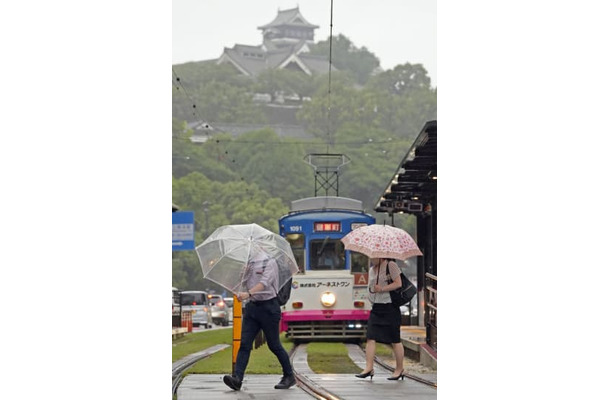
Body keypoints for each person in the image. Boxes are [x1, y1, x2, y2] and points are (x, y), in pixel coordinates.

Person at [223, 249, 296, 391]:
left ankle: (289, 376)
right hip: (252, 308)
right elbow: (244, 285)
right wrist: (243, 275)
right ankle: (237, 378)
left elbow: (264, 284)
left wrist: (248, 293)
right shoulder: (250, 263)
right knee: (244, 344)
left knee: (274, 345)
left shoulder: (270, 262)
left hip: (269, 308)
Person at [355, 257, 406, 381]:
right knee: (370, 337)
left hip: (390, 307)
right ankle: (369, 368)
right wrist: (372, 291)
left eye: (374, 256)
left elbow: (398, 283)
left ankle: (399, 369)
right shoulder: (372, 270)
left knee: (395, 339)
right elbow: (371, 288)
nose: (371, 259)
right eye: (370, 256)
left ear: (381, 255)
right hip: (376, 308)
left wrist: (382, 289)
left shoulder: (391, 265)